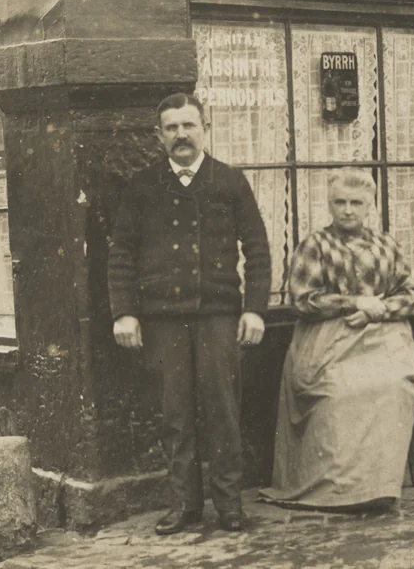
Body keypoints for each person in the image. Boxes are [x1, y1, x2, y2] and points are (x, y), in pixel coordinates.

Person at [108, 93, 271, 534]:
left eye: (189, 125)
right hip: (163, 320)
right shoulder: (142, 187)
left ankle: (229, 504)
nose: (181, 135)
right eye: (171, 127)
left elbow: (256, 249)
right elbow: (121, 253)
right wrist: (125, 313)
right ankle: (185, 504)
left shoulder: (230, 182)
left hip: (218, 315)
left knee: (223, 410)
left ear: (205, 128)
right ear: (159, 135)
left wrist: (255, 309)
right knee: (174, 413)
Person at [258, 170, 414, 512]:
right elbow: (302, 299)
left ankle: (380, 488)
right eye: (340, 202)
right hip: (328, 339)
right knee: (339, 392)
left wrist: (377, 310)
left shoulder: (386, 245)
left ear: (369, 206)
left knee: (394, 386)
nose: (348, 210)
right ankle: (341, 491)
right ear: (330, 204)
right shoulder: (315, 245)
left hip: (382, 336)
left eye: (356, 203)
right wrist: (353, 302)